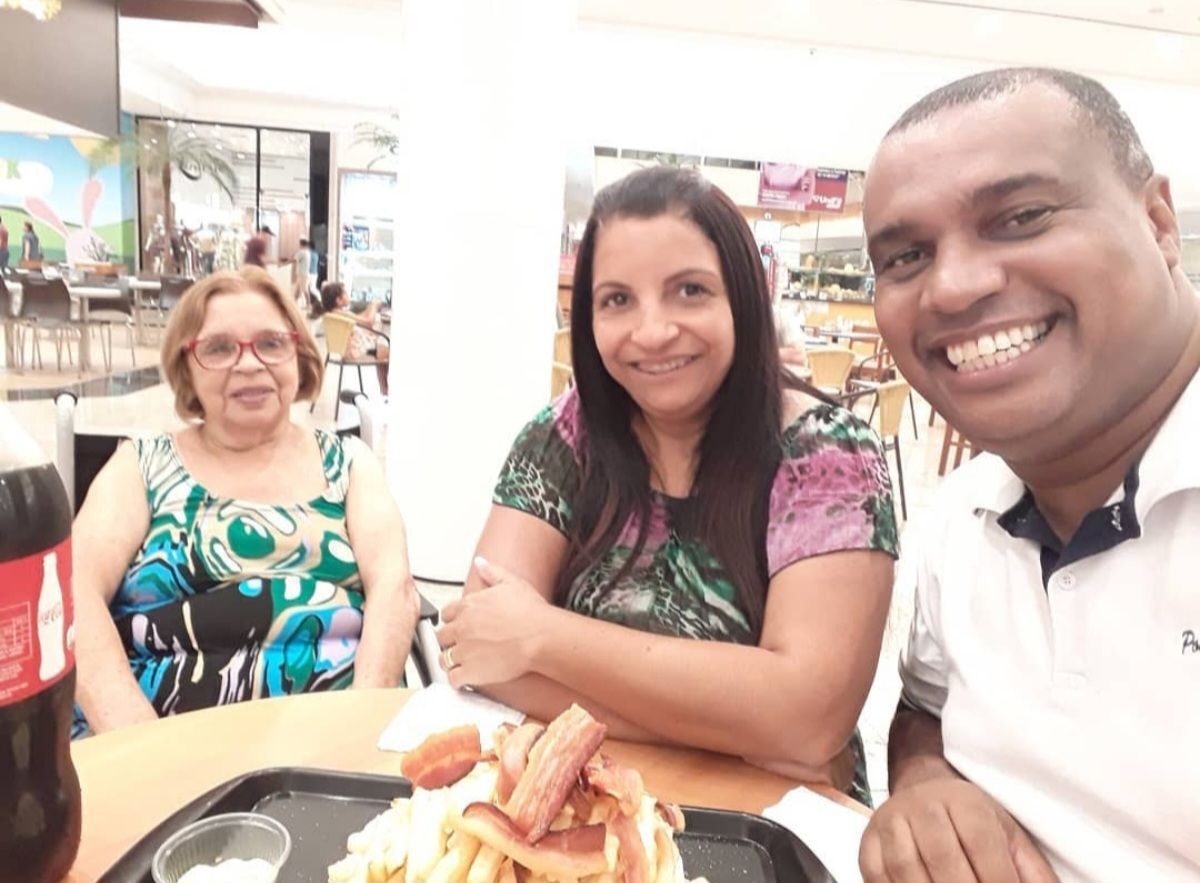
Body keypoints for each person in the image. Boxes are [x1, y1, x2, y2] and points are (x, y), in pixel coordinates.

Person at [437, 166, 898, 803]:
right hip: (592, 809)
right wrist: (741, 727)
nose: (652, 331)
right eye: (617, 300)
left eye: (689, 290)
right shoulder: (563, 438)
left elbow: (809, 718)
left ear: (743, 297)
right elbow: (478, 650)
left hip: (766, 822)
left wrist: (543, 637)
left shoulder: (829, 455)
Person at [859, 68, 1200, 882]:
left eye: (1021, 218)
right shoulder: (965, 512)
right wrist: (924, 783)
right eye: (907, 256)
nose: (953, 286)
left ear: (1158, 222)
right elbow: (926, 706)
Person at [71, 267, 418, 737]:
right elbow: (73, 592)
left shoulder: (349, 463)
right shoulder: (142, 465)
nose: (249, 363)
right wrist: (139, 744)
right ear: (187, 367)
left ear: (299, 355)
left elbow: (394, 588)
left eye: (271, 343)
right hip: (157, 741)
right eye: (219, 348)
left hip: (332, 741)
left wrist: (360, 730)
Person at [319, 281, 390, 396]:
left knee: (383, 349)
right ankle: (385, 389)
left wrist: (369, 308)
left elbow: (359, 318)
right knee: (387, 352)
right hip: (356, 352)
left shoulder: (336, 313)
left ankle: (384, 389)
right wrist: (374, 306)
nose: (348, 295)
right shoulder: (342, 314)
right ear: (338, 300)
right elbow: (368, 322)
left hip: (349, 350)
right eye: (345, 293)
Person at [293, 237, 316, 315]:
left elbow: (294, 259)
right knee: (298, 289)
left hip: (302, 274)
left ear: (301, 244)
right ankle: (294, 304)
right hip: (303, 274)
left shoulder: (302, 252)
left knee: (305, 289)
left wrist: (284, 263)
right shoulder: (307, 252)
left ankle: (309, 305)